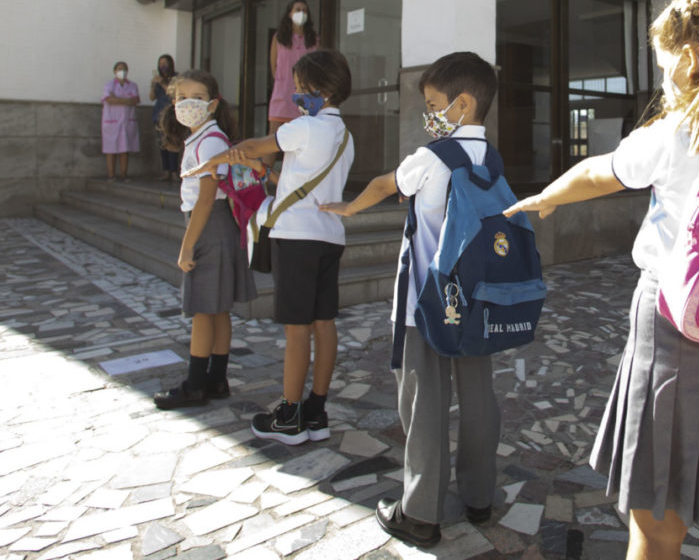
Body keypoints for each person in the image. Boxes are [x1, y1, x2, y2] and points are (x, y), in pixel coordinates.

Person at [504, 0, 699, 560]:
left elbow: (600, 172)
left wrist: (547, 196)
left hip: (673, 330)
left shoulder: (677, 135)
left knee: (655, 513)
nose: (661, 76)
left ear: (691, 59)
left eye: (664, 62)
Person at [321, 52, 502, 548]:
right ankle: (480, 497)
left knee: (423, 402)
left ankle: (420, 512)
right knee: (479, 396)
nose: (429, 114)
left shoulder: (433, 157)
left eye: (433, 104)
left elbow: (384, 184)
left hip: (428, 303)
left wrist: (349, 206)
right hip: (478, 302)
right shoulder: (491, 158)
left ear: (461, 105)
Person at [185, 49, 354, 445]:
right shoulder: (345, 135)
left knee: (296, 330)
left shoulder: (305, 127)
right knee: (324, 324)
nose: (296, 97)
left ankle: (289, 415)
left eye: (300, 89)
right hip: (329, 237)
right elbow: (298, 179)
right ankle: (316, 410)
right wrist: (267, 172)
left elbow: (255, 145)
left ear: (321, 89)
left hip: (296, 239)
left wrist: (206, 165)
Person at [154, 70, 258, 410]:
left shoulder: (210, 141)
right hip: (218, 227)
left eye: (197, 98)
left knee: (203, 309)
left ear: (212, 104)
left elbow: (206, 198)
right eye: (182, 98)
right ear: (172, 102)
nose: (188, 104)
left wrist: (187, 244)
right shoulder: (202, 137)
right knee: (217, 310)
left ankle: (195, 384)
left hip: (209, 227)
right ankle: (217, 379)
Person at [268, 0, 318, 140]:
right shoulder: (279, 38)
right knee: (273, 137)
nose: (301, 13)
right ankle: (266, 164)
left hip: (304, 96)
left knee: (298, 138)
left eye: (304, 10)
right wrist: (282, 83)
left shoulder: (314, 39)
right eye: (298, 10)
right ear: (289, 13)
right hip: (281, 94)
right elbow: (273, 67)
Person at [101, 61, 140, 181]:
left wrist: (117, 98)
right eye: (119, 69)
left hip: (127, 121)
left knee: (125, 148)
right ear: (114, 71)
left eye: (124, 69)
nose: (122, 71)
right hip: (112, 121)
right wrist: (126, 100)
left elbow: (136, 100)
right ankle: (111, 175)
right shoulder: (109, 85)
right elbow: (109, 99)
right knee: (111, 148)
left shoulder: (133, 85)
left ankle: (124, 174)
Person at [150, 54, 180, 181]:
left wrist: (162, 83)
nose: (163, 66)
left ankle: (174, 171)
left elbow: (173, 93)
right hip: (159, 114)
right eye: (160, 63)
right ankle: (166, 171)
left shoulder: (177, 78)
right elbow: (152, 97)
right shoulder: (157, 79)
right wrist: (152, 85)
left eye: (165, 63)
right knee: (162, 144)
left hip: (173, 114)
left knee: (173, 143)